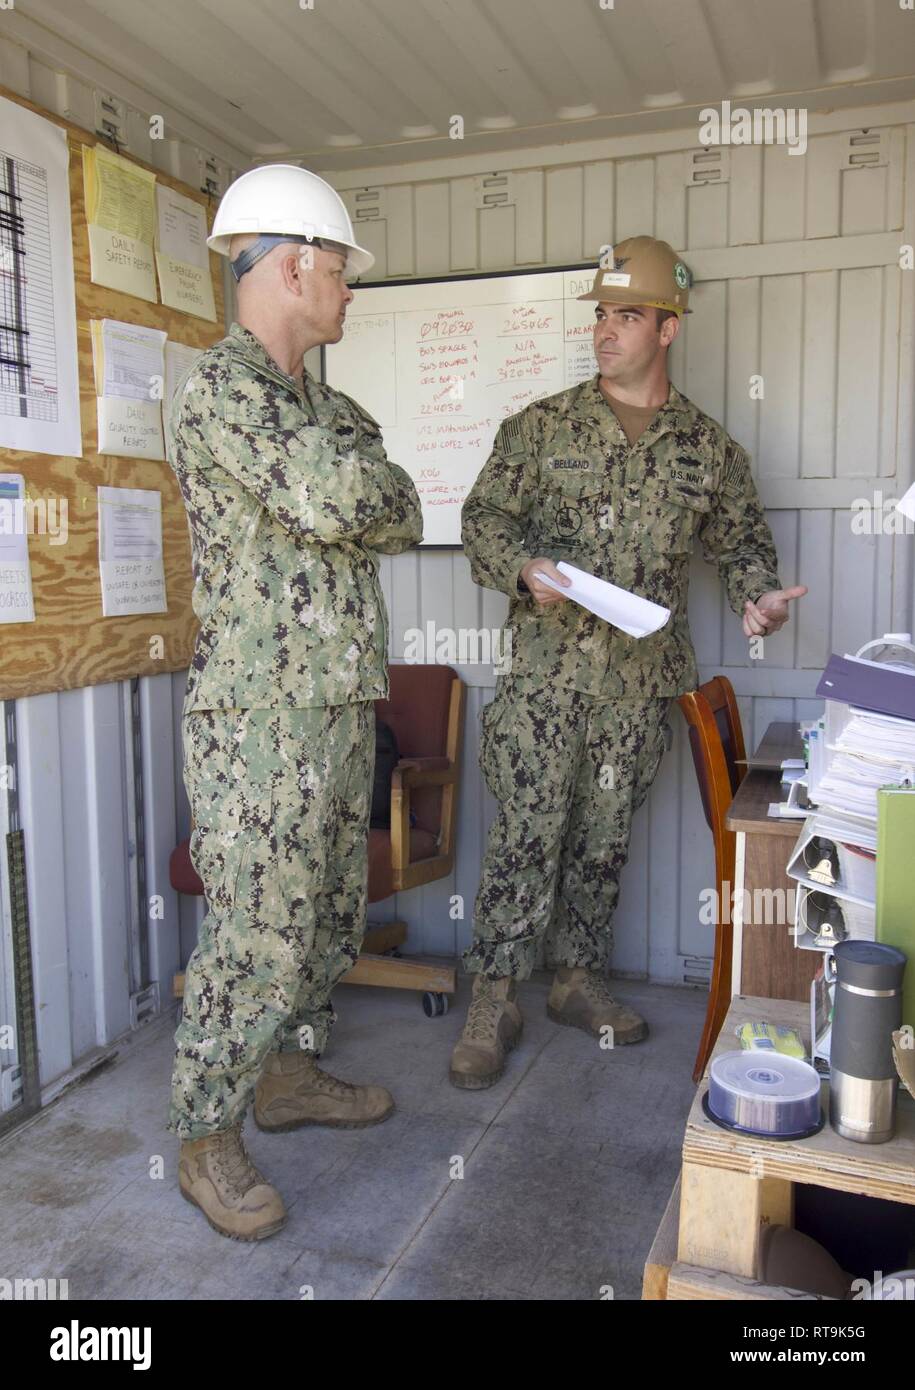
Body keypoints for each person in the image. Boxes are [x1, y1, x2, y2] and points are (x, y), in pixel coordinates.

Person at [450, 235, 806, 1089]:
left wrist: (756, 599)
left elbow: (742, 547)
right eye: (601, 314)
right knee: (522, 841)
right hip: (545, 681)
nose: (606, 331)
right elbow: (482, 524)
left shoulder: (707, 451)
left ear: (668, 328)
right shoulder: (538, 429)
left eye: (627, 315)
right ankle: (492, 999)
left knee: (603, 845)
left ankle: (576, 981)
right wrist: (524, 570)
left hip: (639, 687)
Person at [165, 165, 423, 1239]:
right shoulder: (221, 392)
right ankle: (204, 1134)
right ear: (293, 265)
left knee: (322, 916)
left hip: (331, 704)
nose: (350, 292)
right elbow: (345, 492)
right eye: (344, 272)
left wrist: (361, 487)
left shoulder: (327, 406)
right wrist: (355, 487)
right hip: (257, 720)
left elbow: (401, 507)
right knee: (254, 934)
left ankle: (288, 1076)